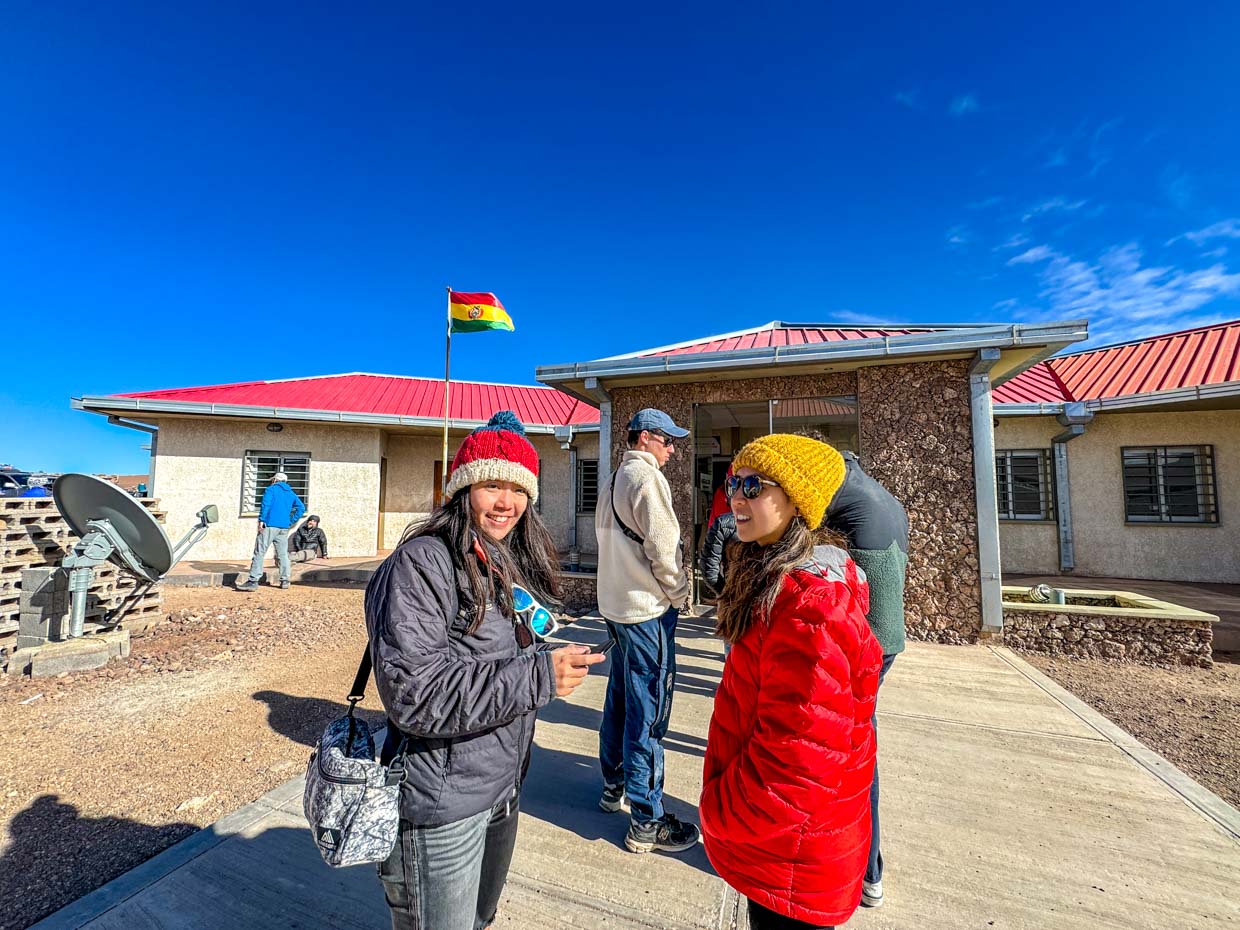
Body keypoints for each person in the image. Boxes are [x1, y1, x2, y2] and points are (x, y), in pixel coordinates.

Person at [365, 411, 606, 930]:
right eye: (491, 485)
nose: (506, 503)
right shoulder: (423, 564)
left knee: (480, 919)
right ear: (460, 488)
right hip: (442, 802)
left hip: (500, 786)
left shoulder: (497, 557)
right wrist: (540, 676)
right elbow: (413, 693)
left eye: (518, 489)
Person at [700, 434, 882, 930]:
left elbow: (796, 769)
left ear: (797, 500)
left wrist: (718, 810)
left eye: (754, 485)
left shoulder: (808, 609)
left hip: (794, 858)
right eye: (733, 482)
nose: (735, 497)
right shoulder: (770, 577)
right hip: (786, 851)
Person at [595, 407, 699, 855]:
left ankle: (613, 784)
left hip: (617, 608)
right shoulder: (646, 478)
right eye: (668, 440)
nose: (673, 449)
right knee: (649, 714)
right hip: (646, 611)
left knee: (620, 699)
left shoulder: (613, 478)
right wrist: (680, 595)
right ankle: (646, 818)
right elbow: (664, 548)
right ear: (646, 439)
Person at [815, 443, 909, 909]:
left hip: (863, 639)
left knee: (852, 752)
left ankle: (865, 867)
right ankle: (867, 869)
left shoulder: (840, 498)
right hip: (887, 636)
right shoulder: (881, 497)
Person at [235, 472, 306, 591]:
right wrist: (290, 521)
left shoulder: (271, 490)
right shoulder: (291, 493)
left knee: (260, 552)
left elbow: (266, 505)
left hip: (269, 525)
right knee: (282, 554)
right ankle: (285, 580)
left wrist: (262, 520)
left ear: (275, 480)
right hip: (283, 527)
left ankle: (253, 581)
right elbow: (301, 508)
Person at [698, 469, 737, 595]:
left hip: (732, 590)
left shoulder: (721, 493)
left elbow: (709, 569)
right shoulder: (721, 494)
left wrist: (722, 593)